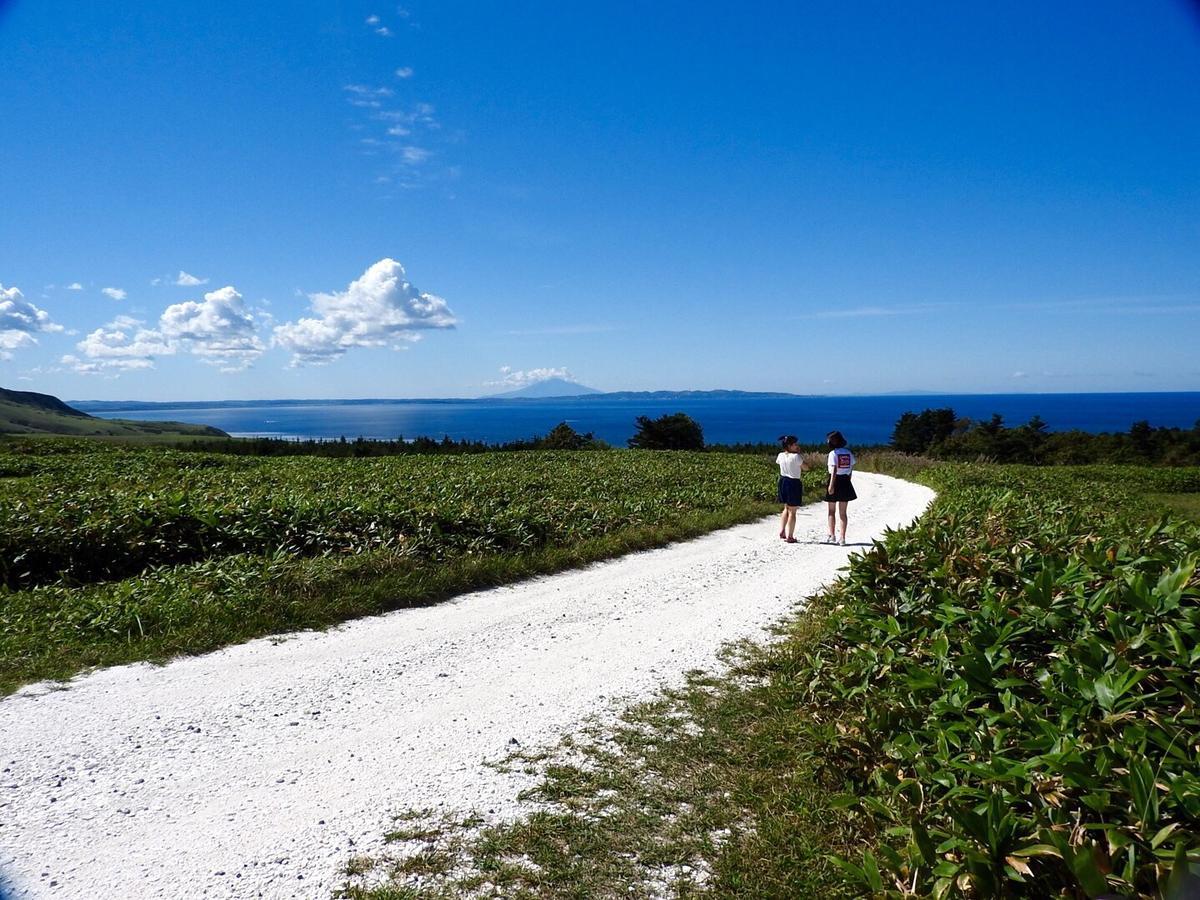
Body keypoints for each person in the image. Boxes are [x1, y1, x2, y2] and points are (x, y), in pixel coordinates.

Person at [824, 430, 857, 544]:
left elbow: (834, 470)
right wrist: (848, 480)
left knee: (831, 511)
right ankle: (842, 538)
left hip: (835, 480)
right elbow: (851, 469)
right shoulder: (848, 453)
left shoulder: (833, 454)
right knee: (843, 513)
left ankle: (832, 535)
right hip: (845, 481)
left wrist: (831, 486)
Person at [775, 434, 805, 543]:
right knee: (793, 511)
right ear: (790, 445)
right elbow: (806, 467)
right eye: (795, 444)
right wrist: (799, 454)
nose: (797, 446)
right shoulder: (796, 457)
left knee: (786, 508)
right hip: (794, 482)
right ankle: (790, 536)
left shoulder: (780, 455)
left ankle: (782, 531)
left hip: (783, 481)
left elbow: (778, 462)